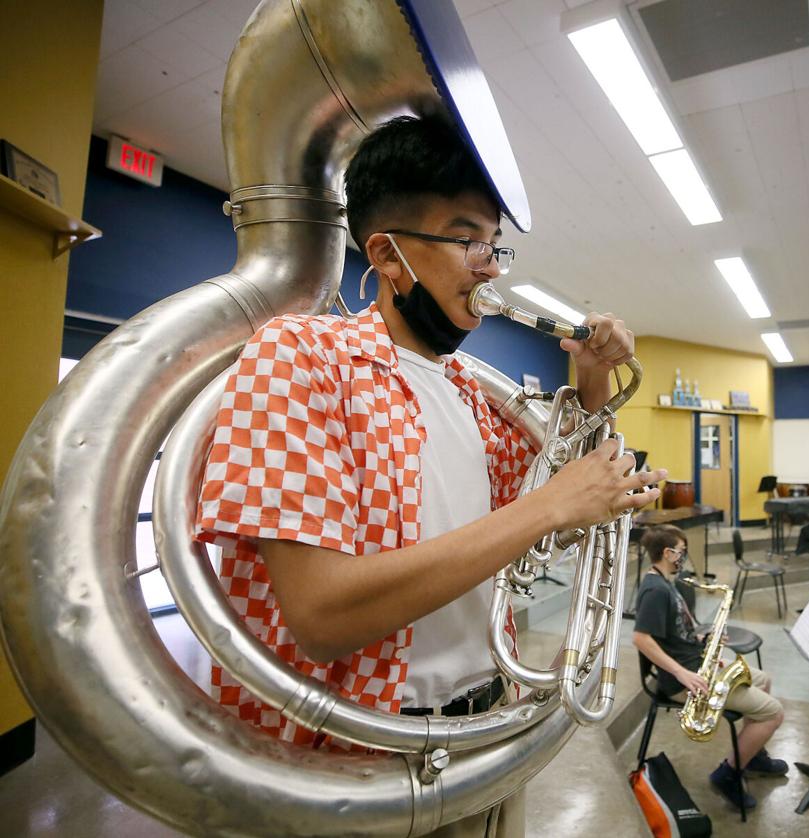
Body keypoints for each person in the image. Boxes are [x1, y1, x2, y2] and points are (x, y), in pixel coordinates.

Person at [194, 115, 665, 836]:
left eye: (493, 244)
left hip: (484, 737)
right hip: (356, 764)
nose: (491, 265)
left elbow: (545, 528)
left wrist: (593, 384)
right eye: (466, 238)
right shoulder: (300, 357)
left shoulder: (476, 394)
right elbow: (322, 616)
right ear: (387, 254)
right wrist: (549, 510)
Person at [632, 525, 789, 811]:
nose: (685, 557)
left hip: (697, 663)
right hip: (686, 680)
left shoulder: (668, 582)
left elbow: (674, 632)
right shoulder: (655, 590)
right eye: (682, 552)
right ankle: (727, 774)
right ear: (668, 553)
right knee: (774, 713)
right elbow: (641, 638)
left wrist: (703, 640)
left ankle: (752, 756)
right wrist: (681, 672)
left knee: (764, 679)